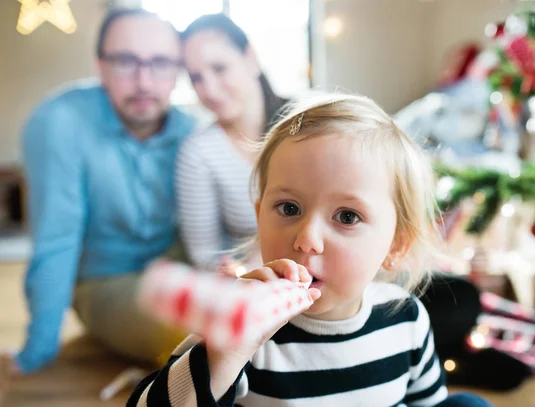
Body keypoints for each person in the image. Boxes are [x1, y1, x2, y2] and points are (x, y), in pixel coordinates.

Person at [127, 93, 493, 407]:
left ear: (395, 245)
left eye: (347, 216)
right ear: (260, 216)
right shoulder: (243, 328)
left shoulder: (406, 319)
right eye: (289, 208)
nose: (306, 239)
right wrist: (226, 354)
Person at [6, 8, 196, 375]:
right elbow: (57, 239)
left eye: (160, 63)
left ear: (178, 70)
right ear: (100, 65)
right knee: (198, 336)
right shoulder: (59, 122)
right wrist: (38, 351)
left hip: (176, 266)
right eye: (126, 62)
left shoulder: (191, 130)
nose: (144, 81)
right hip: (105, 279)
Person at [176, 13, 288, 273]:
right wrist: (236, 270)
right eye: (196, 78)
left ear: (251, 59)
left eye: (219, 68)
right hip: (255, 283)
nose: (210, 90)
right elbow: (204, 254)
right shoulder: (199, 152)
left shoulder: (307, 122)